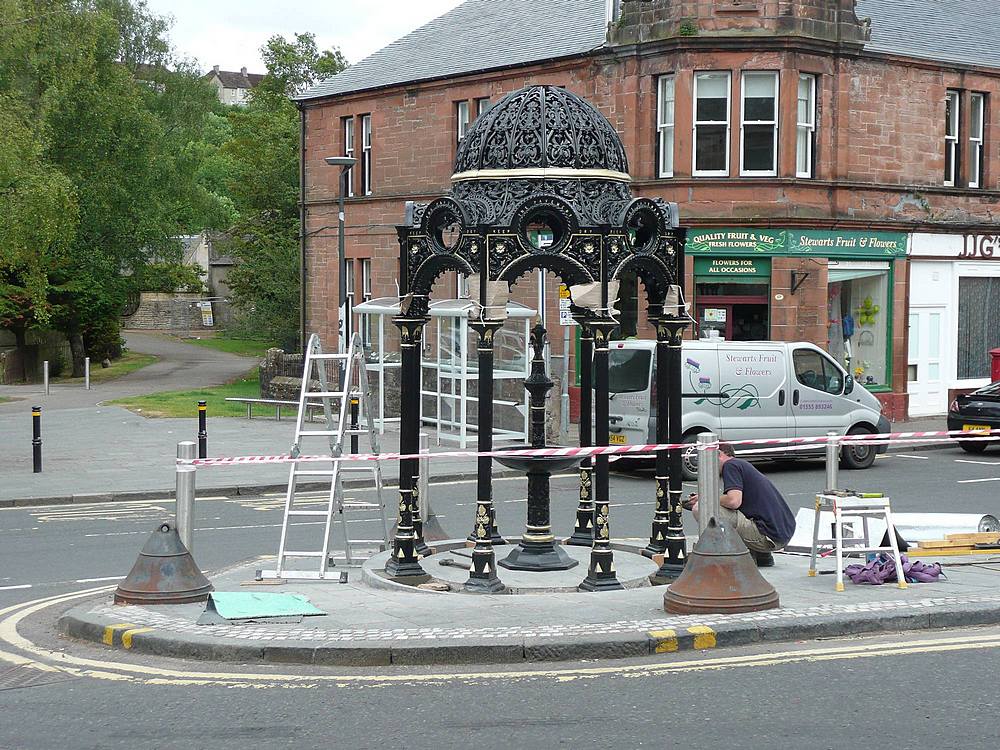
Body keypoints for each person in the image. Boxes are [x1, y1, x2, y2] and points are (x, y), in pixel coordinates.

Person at [685, 442, 796, 567]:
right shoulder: (742, 465)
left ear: (717, 454)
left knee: (701, 508)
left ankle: (725, 557)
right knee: (713, 506)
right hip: (778, 534)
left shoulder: (730, 465)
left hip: (766, 536)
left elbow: (733, 501)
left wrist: (706, 499)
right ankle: (761, 556)